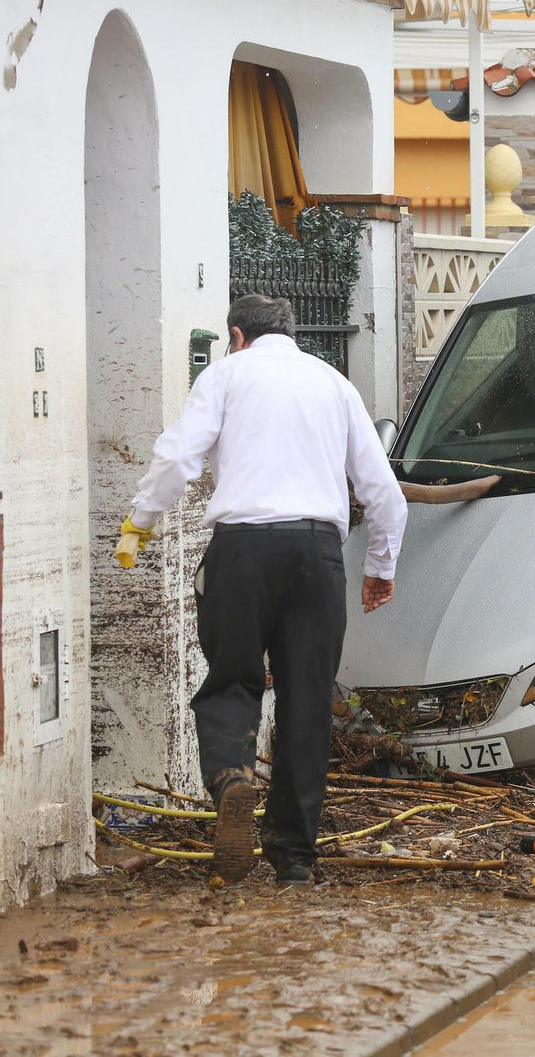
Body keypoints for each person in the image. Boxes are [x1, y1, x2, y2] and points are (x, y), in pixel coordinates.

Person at [118, 295, 408, 887]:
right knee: (307, 700)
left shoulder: (225, 373)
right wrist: (381, 565)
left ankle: (231, 777)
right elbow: (384, 491)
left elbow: (178, 457)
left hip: (242, 551)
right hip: (317, 555)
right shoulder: (333, 384)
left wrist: (139, 522)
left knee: (232, 678)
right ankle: (294, 858)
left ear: (237, 335)